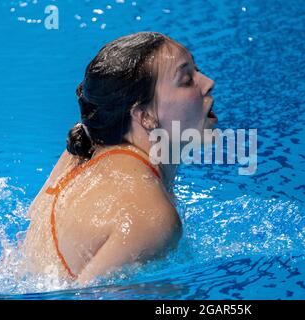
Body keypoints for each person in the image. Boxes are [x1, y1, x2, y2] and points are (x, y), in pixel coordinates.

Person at [21, 32, 217, 285]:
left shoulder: (85, 145)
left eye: (197, 70)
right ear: (145, 116)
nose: (208, 83)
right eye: (187, 80)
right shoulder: (150, 217)